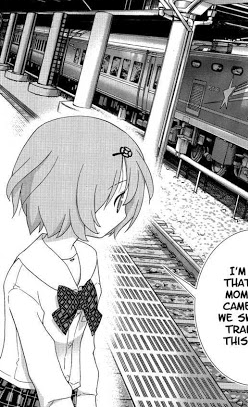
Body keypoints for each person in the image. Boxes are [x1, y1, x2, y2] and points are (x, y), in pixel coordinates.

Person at [1, 116, 154, 407]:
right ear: (68, 190)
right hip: (23, 393)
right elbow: (39, 358)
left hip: (69, 389)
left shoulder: (88, 259)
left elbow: (87, 341)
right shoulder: (27, 274)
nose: (123, 211)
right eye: (117, 197)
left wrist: (87, 394)